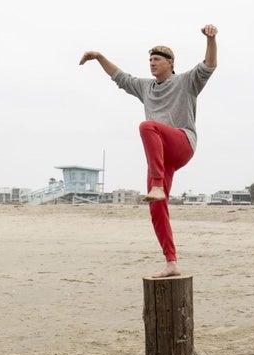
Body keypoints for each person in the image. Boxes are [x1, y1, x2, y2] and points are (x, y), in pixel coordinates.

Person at [79, 25, 218, 278]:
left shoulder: (186, 81)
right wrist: (99, 57)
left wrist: (211, 39)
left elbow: (209, 65)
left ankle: (156, 186)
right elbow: (120, 77)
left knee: (147, 126)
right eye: (150, 60)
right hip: (161, 158)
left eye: (157, 59)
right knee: (156, 207)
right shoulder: (146, 88)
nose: (152, 63)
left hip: (182, 143)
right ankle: (171, 261)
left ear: (170, 63)